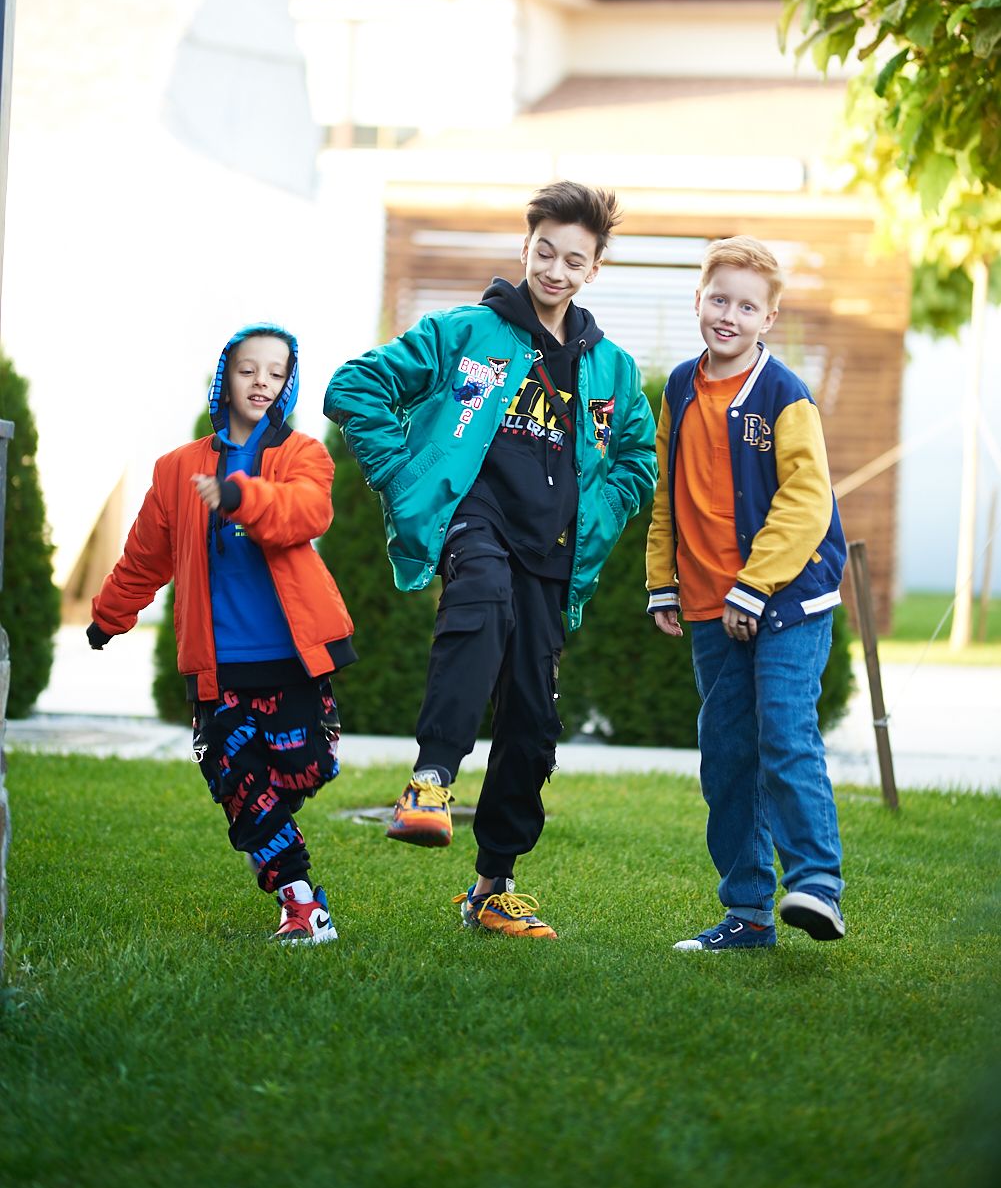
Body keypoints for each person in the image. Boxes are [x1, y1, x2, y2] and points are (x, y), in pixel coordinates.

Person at [325, 182, 656, 939]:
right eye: (545, 251)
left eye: (574, 260)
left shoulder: (609, 368)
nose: (555, 270)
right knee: (480, 602)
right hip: (476, 521)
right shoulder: (466, 331)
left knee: (533, 721)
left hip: (552, 552)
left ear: (594, 269)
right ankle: (431, 780)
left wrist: (602, 510)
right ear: (525, 246)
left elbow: (638, 456)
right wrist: (404, 475)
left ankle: (492, 888)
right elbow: (356, 385)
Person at [88, 324, 356, 944]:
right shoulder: (176, 469)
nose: (262, 382)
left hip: (292, 658)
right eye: (248, 369)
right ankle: (301, 903)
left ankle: (273, 818)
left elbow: (305, 513)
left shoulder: (303, 455)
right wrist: (109, 614)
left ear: (288, 384)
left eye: (276, 373)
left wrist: (239, 497)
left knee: (303, 771)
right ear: (224, 378)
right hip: (218, 664)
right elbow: (145, 557)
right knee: (236, 780)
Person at [646, 236, 847, 951]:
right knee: (727, 754)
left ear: (769, 318)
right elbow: (668, 492)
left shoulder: (783, 395)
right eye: (719, 299)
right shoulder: (679, 387)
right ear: (698, 300)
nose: (729, 315)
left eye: (747, 306)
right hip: (709, 603)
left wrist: (754, 587)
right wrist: (662, 580)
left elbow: (806, 501)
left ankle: (817, 885)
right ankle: (749, 914)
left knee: (783, 732)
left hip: (786, 601)